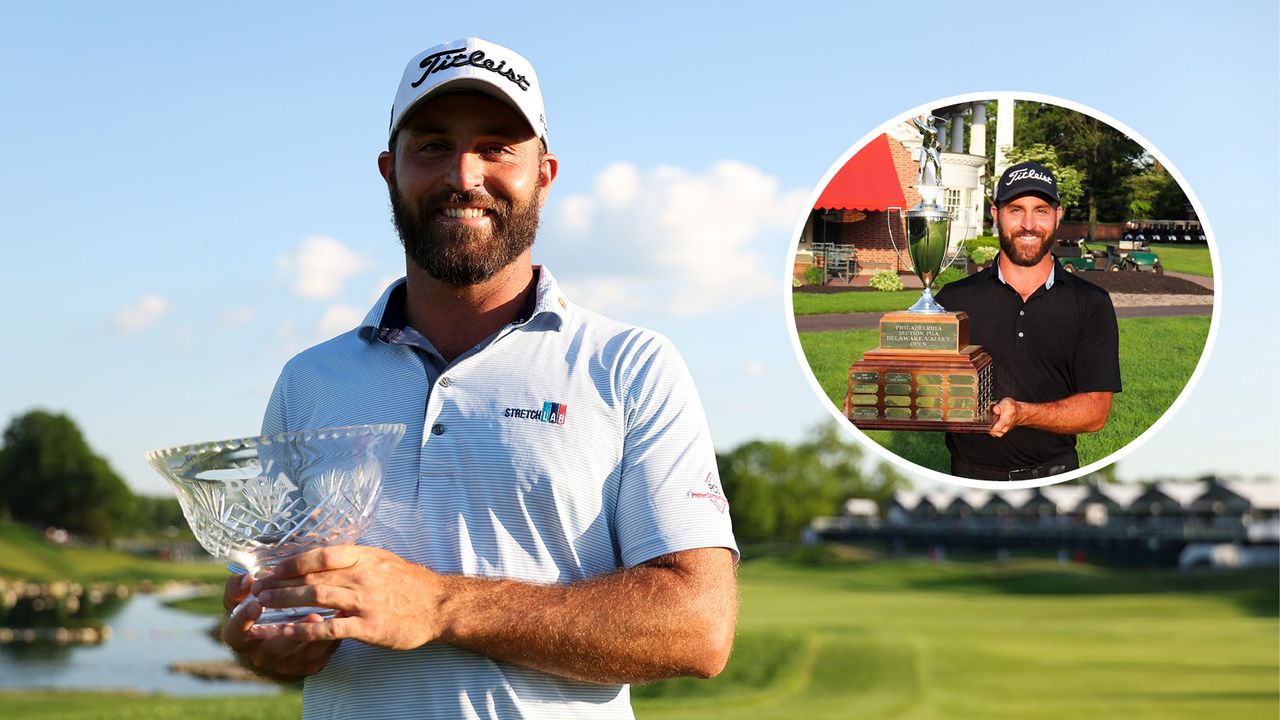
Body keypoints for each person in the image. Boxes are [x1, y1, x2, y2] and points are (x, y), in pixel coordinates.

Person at [220, 37, 739, 719]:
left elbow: (698, 627)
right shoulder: (309, 380)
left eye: (497, 147)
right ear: (389, 171)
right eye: (432, 146)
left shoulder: (630, 365)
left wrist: (439, 605)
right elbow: (268, 604)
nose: (463, 175)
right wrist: (265, 643)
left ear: (545, 175)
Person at [935, 161, 1121, 481]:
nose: (1029, 224)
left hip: (1056, 477)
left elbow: (1096, 411)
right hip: (969, 478)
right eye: (1016, 210)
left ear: (1057, 215)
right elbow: (921, 377)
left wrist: (1021, 413)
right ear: (996, 216)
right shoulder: (953, 299)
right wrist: (876, 392)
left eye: (1041, 210)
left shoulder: (1091, 303)